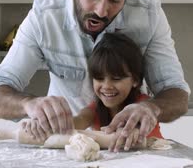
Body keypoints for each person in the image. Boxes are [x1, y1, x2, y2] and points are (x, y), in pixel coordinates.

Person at [0, 0, 190, 150]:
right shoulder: (45, 16)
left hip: (128, 149)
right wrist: (29, 104)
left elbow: (176, 93)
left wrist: (151, 108)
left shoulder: (148, 13)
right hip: (64, 147)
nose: (101, 11)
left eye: (115, 0)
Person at [23, 33, 164, 152]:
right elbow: (77, 122)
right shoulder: (95, 109)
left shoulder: (143, 107)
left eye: (116, 78)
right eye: (99, 78)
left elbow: (143, 126)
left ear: (135, 80)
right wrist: (45, 124)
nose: (106, 86)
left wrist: (134, 131)